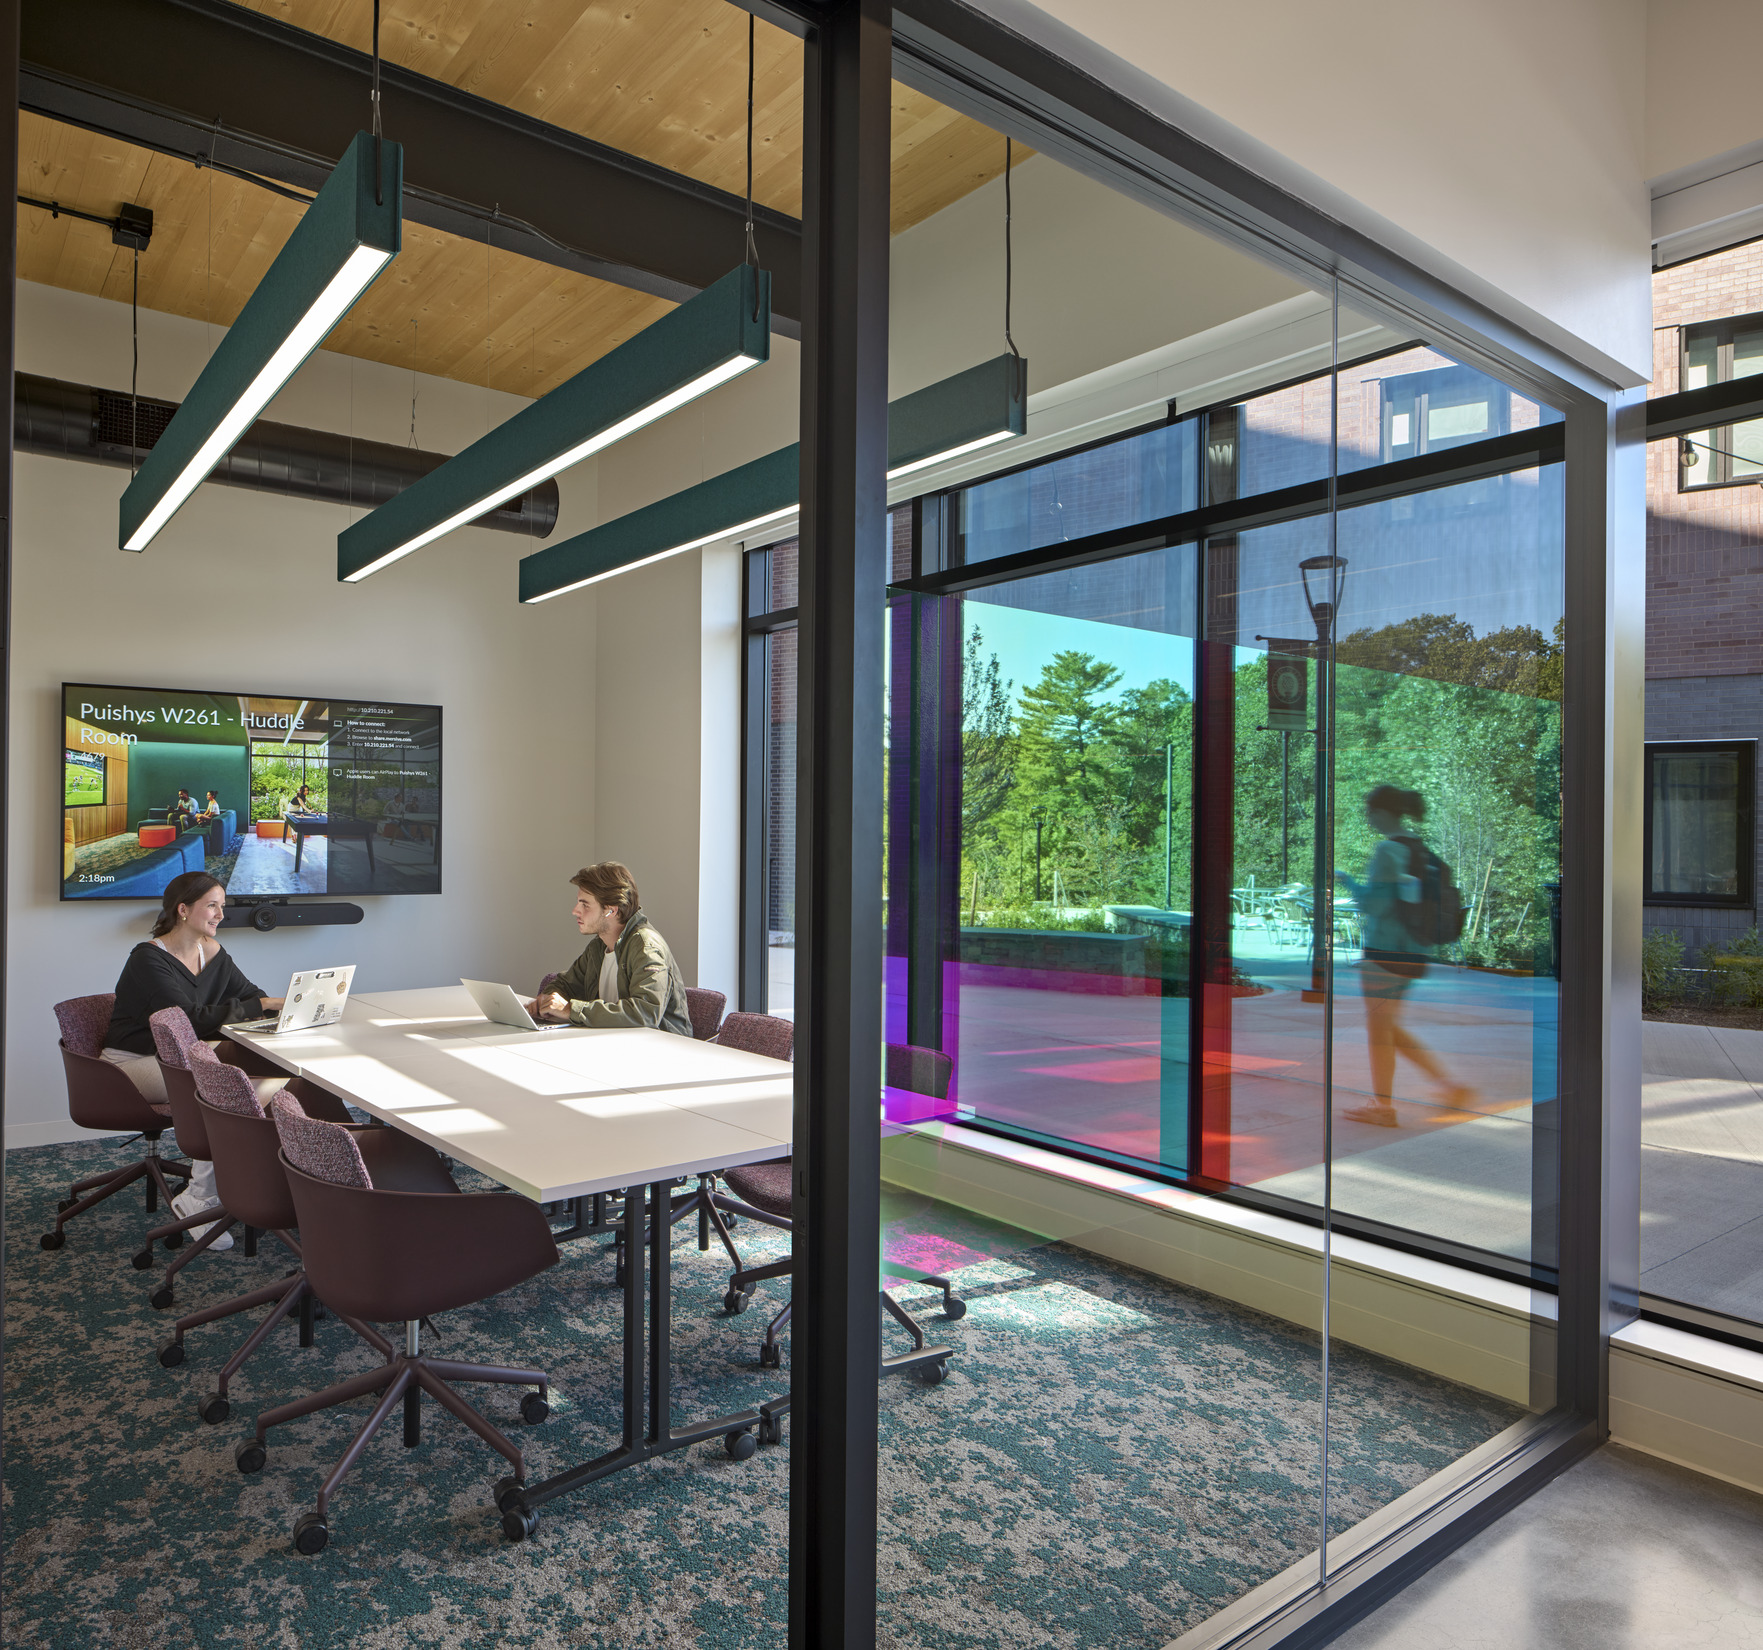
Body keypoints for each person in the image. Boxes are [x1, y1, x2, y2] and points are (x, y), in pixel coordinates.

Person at [103, 873, 285, 1246]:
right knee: (225, 1086)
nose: (220, 914)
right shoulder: (147, 959)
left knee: (269, 1079)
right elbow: (188, 1018)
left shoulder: (213, 952)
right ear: (183, 909)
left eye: (223, 905)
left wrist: (279, 1008)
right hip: (129, 1066)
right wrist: (259, 1006)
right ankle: (197, 1198)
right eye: (212, 905)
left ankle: (254, 1188)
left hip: (182, 1061)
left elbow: (251, 995)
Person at [1334, 785, 1475, 1128]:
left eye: (1369, 811)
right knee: (1389, 1027)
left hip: (1385, 953)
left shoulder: (1387, 850)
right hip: (1416, 952)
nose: (1367, 818)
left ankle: (1383, 1106)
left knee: (1379, 1032)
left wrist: (1347, 882)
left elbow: (1375, 905)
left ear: (1383, 812)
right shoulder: (1419, 849)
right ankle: (1449, 1086)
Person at [528, 862, 692, 1036]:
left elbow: (645, 1014)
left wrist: (571, 1009)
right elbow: (566, 984)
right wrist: (546, 1002)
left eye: (585, 905)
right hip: (617, 1044)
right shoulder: (599, 946)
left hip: (661, 1051)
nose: (575, 911)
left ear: (611, 911)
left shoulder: (646, 947)